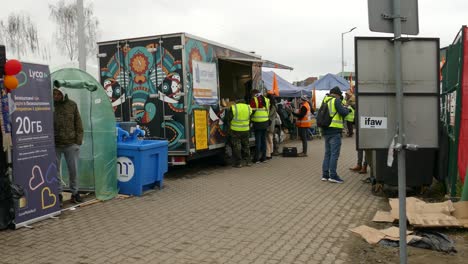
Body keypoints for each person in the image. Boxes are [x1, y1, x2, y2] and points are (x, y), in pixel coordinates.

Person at [53, 87, 84, 205]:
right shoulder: (50, 105)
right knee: (55, 171)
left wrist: (78, 141)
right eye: (54, 94)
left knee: (73, 170)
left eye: (58, 94)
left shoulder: (72, 105)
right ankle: (58, 194)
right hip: (55, 144)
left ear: (63, 94)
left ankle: (75, 193)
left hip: (71, 144)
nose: (56, 96)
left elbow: (78, 123)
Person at [321, 87, 350, 183]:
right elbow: (343, 112)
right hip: (334, 131)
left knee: (327, 153)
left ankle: (325, 175)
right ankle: (333, 176)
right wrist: (347, 109)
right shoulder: (336, 101)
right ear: (337, 94)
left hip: (326, 130)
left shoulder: (325, 100)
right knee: (334, 154)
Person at [228, 99, 252, 168]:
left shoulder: (234, 107)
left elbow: (229, 118)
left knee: (237, 146)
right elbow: (250, 118)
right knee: (246, 145)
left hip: (235, 130)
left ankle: (239, 163)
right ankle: (248, 161)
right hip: (245, 129)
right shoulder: (248, 107)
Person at [250, 89, 270, 163]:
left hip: (257, 123)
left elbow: (251, 111)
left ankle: (256, 159)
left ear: (254, 93)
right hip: (265, 122)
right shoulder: (266, 99)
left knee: (258, 141)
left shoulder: (254, 100)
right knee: (263, 141)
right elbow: (268, 110)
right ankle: (264, 158)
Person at [266, 94, 279, 159]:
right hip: (271, 125)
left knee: (268, 140)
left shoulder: (272, 106)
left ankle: (269, 154)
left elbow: (269, 115)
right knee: (270, 139)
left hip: (269, 125)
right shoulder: (274, 106)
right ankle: (270, 152)